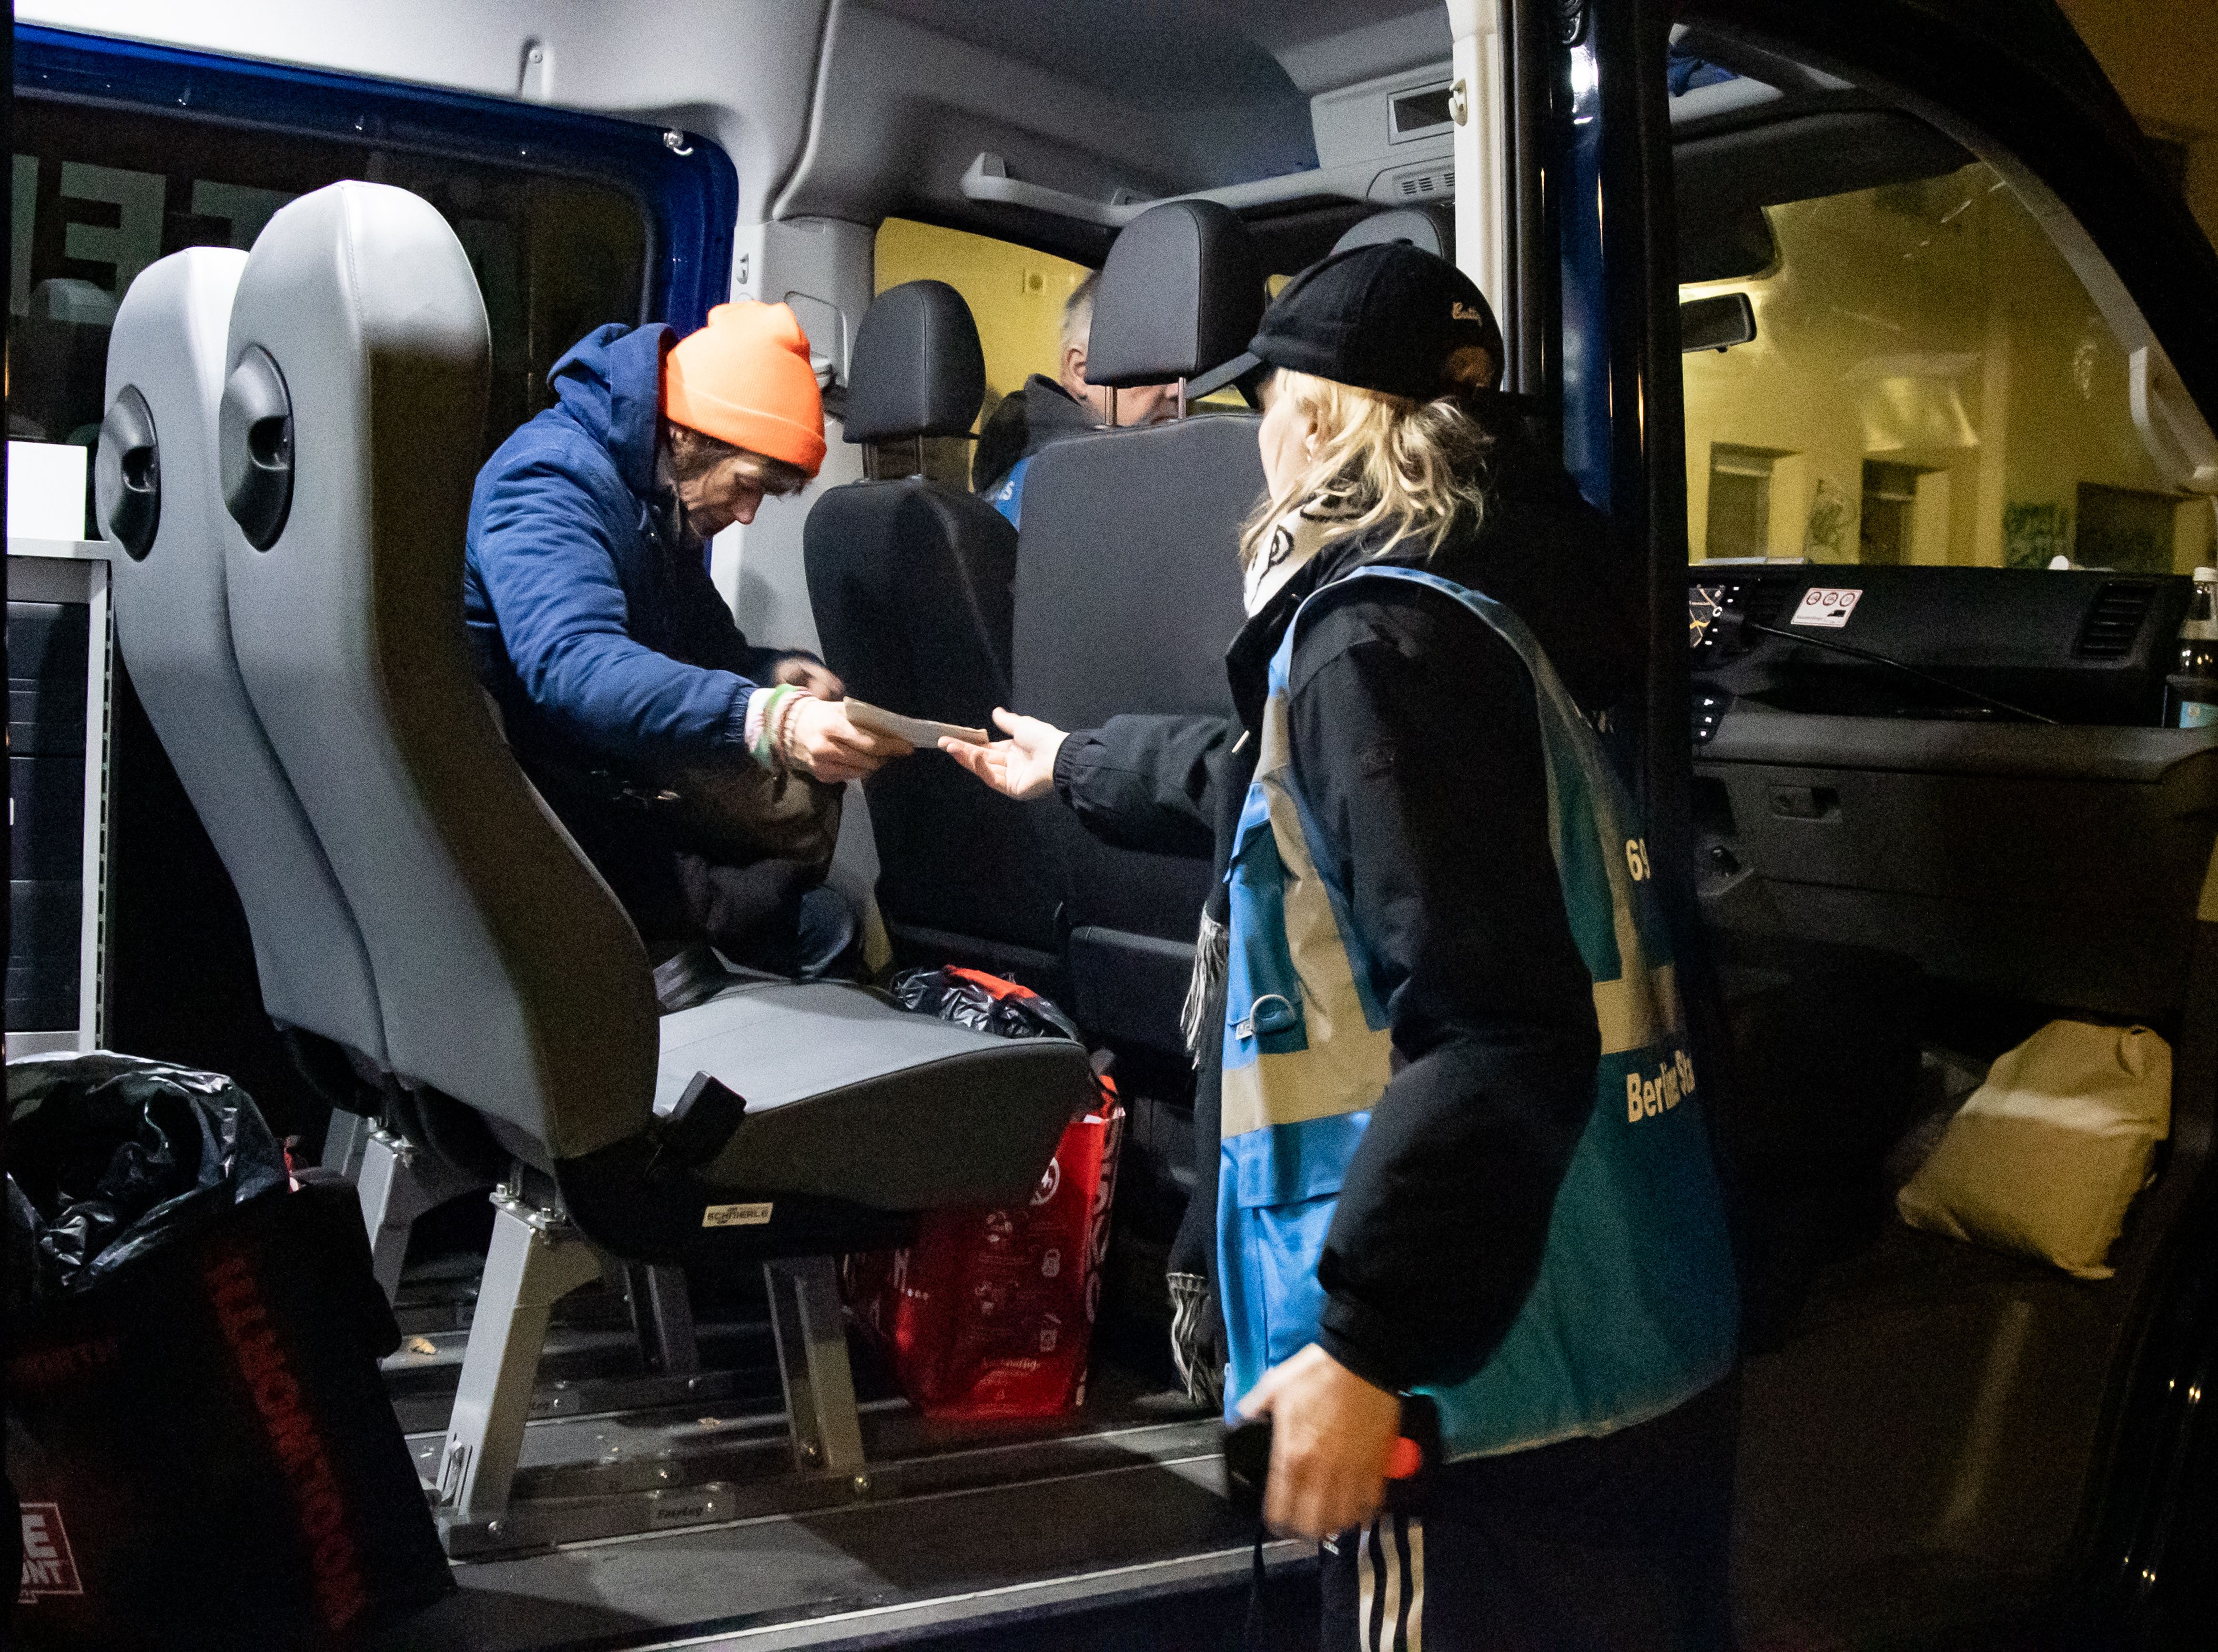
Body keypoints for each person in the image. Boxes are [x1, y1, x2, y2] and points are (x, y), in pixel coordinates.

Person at [942, 243, 1741, 1649]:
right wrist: (1079, 764)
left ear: (1318, 416)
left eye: (1267, 402)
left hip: (1480, 1381)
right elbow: (1295, 788)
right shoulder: (1503, 611)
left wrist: (1364, 1347)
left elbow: (1492, 1028)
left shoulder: (1372, 639)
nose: (1254, 436)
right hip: (1627, 1328)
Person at [466, 301, 912, 1004]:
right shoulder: (553, 481)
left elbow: (709, 650)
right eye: (747, 485)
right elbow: (575, 666)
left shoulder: (656, 503)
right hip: (545, 823)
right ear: (685, 433)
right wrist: (775, 722)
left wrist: (772, 674)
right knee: (825, 925)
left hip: (609, 803)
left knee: (835, 910)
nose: (747, 515)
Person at [972, 269, 1175, 520]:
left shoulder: (1030, 462)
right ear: (1082, 372)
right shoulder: (1075, 485)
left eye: (1183, 369)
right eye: (1151, 369)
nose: (1177, 390)